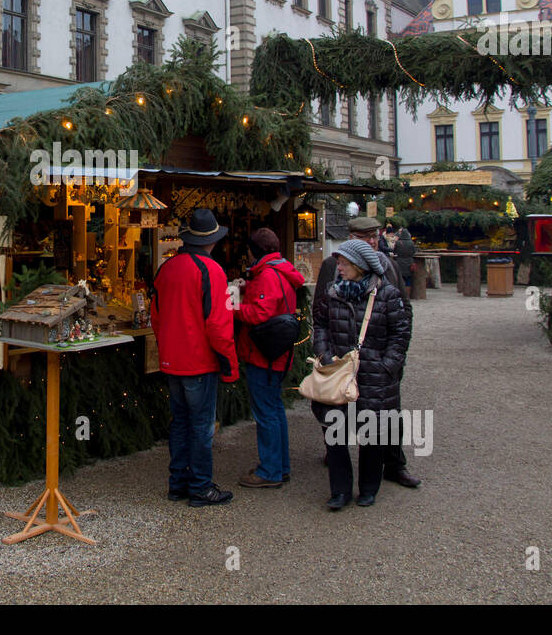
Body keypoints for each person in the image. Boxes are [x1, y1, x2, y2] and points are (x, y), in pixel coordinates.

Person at [313, 215, 420, 488]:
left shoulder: (388, 264)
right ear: (351, 239)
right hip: (344, 358)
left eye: (375, 236)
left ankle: (394, 463)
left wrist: (393, 360)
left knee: (388, 413)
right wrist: (326, 354)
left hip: (379, 357)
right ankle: (337, 458)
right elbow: (321, 313)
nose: (372, 242)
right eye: (365, 238)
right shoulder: (331, 266)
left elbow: (404, 311)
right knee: (339, 407)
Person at [151, 208, 239, 507]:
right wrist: (230, 365)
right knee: (201, 426)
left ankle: (178, 483)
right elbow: (218, 325)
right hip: (199, 361)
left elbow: (157, 317)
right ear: (212, 241)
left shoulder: (166, 268)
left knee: (180, 423)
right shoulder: (212, 271)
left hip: (172, 360)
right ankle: (200, 486)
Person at [233, 227, 305, 489]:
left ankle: (270, 470)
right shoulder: (279, 270)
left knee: (265, 412)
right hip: (277, 351)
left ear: (254, 250)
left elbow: (259, 314)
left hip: (262, 353)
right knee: (274, 409)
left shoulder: (267, 275)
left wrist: (234, 307)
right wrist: (247, 286)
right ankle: (279, 466)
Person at [395, 228, 417, 304]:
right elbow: (414, 252)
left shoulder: (398, 242)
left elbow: (395, 251)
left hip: (400, 262)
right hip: (409, 262)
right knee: (408, 280)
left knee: (400, 280)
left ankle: (401, 296)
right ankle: (407, 296)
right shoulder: (411, 243)